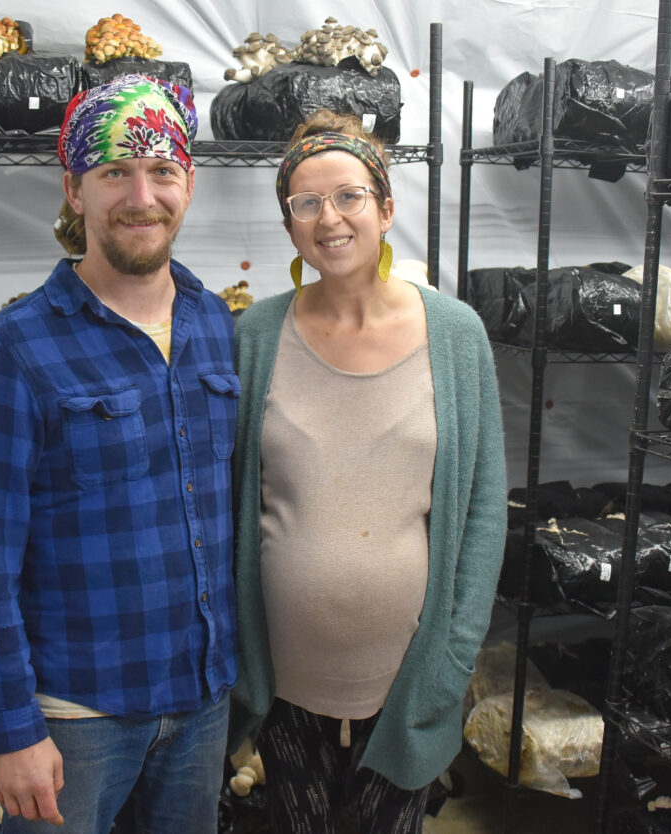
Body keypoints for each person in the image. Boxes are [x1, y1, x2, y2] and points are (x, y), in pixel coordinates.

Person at [0, 75, 239, 834]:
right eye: (115, 172)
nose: (142, 195)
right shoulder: (9, 351)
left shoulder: (214, 323)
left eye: (162, 170)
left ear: (189, 182)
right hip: (75, 720)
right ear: (74, 188)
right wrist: (10, 733)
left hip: (202, 701)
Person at [230, 110, 508, 833]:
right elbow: (230, 497)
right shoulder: (254, 337)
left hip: (408, 682)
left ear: (387, 208)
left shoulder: (456, 335)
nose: (330, 218)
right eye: (307, 203)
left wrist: (450, 662)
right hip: (282, 681)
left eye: (349, 196)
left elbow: (482, 507)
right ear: (289, 224)